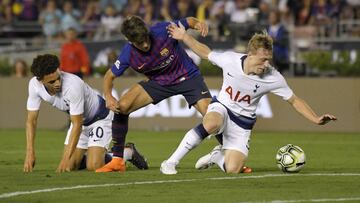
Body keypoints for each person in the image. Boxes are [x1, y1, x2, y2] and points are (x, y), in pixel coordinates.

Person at [160, 22, 337, 174]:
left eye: (269, 59)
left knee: (233, 169)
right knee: (212, 123)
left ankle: (217, 155)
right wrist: (184, 36)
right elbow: (205, 52)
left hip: (243, 124)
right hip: (221, 108)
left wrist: (316, 119)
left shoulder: (273, 77)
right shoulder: (230, 60)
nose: (266, 64)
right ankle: (170, 162)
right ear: (251, 54)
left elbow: (294, 100)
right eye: (262, 59)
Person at [95, 15, 212, 173]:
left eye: (145, 38)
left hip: (187, 76)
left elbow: (189, 21)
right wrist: (108, 96)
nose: (145, 44)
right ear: (128, 40)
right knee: (121, 107)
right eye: (139, 42)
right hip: (159, 83)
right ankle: (117, 159)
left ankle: (226, 154)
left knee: (213, 115)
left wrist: (198, 23)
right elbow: (109, 76)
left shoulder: (163, 30)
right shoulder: (128, 54)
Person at [23, 54, 148, 173]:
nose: (57, 83)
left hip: (100, 117)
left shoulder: (72, 85)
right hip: (81, 121)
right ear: (40, 81)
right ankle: (94, 152)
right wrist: (30, 152)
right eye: (51, 82)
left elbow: (76, 125)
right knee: (70, 166)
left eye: (58, 78)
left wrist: (64, 159)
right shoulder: (34, 86)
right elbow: (31, 120)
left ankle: (126, 152)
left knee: (93, 165)